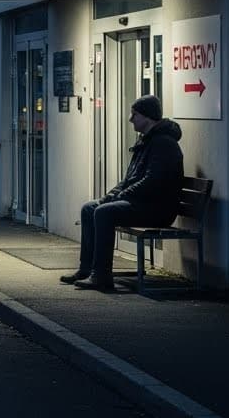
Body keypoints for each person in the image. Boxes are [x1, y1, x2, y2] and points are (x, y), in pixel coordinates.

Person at [62, 94, 184, 292]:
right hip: (142, 203)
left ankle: (101, 275)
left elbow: (152, 182)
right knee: (89, 208)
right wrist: (110, 196)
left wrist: (120, 196)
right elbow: (129, 179)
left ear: (147, 116)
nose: (130, 119)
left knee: (104, 212)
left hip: (157, 208)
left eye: (134, 114)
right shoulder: (146, 141)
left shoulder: (164, 144)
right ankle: (87, 269)